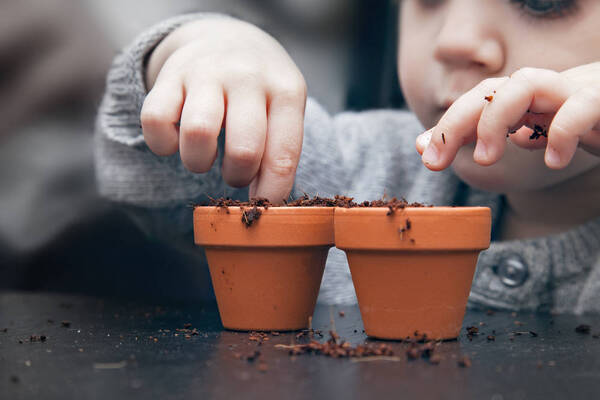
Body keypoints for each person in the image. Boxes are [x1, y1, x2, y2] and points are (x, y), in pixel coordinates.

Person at [95, 0, 600, 313]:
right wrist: (202, 47)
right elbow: (159, 179)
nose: (453, 41)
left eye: (542, 1)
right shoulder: (362, 168)